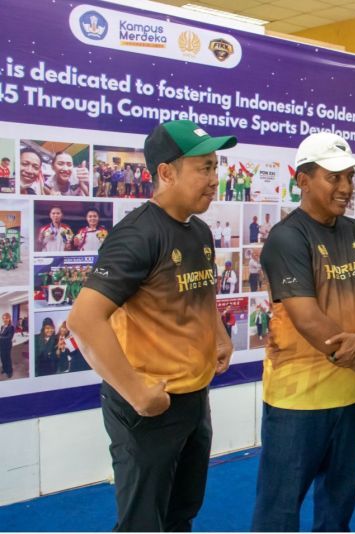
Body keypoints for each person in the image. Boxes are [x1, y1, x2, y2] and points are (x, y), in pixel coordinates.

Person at [66, 119, 237, 531]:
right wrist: (137, 391)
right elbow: (84, 320)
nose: (215, 179)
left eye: (216, 167)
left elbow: (198, 291)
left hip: (193, 399)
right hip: (148, 407)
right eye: (204, 168)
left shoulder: (198, 231)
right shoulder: (137, 235)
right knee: (143, 522)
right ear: (166, 172)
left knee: (182, 512)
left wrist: (218, 334)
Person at [252, 132, 355, 532]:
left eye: (349, 176)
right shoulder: (286, 238)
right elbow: (308, 319)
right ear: (302, 180)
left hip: (351, 399)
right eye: (334, 177)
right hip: (299, 400)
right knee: (279, 509)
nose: (346, 187)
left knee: (339, 500)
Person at [0, 313, 14, 378]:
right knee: (3, 358)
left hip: (7, 345)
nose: (5, 319)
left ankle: (9, 372)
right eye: (3, 318)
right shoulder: (2, 326)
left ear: (9, 319)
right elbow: (2, 335)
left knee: (7, 359)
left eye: (6, 318)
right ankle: (5, 369)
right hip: (1, 345)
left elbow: (9, 337)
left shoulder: (11, 327)